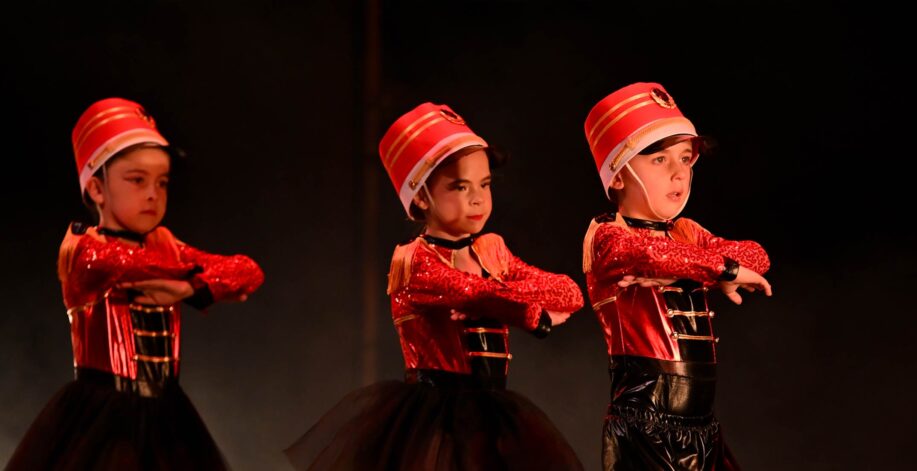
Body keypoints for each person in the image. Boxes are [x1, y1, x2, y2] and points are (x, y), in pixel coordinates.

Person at [286, 102, 584, 470]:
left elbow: (569, 292)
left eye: (484, 184)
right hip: (437, 415)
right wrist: (536, 315)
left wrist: (515, 300)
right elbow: (475, 293)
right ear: (422, 197)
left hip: (493, 410)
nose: (477, 198)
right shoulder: (414, 261)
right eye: (460, 187)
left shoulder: (493, 251)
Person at [5, 97, 265, 470]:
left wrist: (189, 289)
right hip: (103, 418)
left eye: (162, 183)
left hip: (166, 414)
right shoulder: (85, 249)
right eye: (137, 180)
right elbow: (121, 264)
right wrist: (188, 275)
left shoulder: (165, 245)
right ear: (97, 190)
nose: (152, 194)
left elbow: (248, 270)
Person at [580, 83, 772, 470]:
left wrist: (695, 264)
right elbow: (648, 253)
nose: (678, 173)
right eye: (658, 159)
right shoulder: (607, 236)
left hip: (701, 425)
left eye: (685, 159)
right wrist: (721, 270)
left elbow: (756, 254)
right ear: (617, 175)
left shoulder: (685, 232)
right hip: (647, 425)